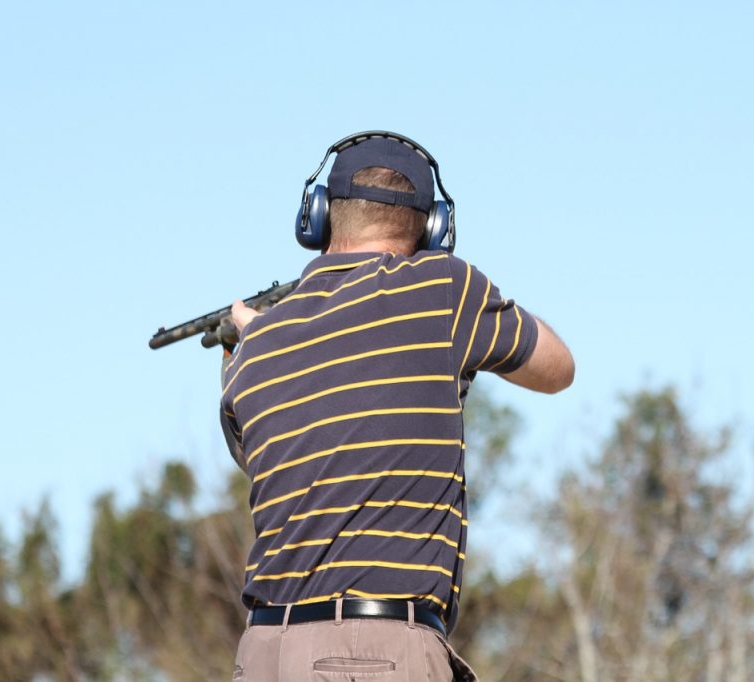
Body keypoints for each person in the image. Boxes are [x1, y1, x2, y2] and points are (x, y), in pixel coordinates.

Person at [221, 132, 574, 681]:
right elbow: (557, 368)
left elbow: (285, 464)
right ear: (433, 229)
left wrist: (242, 342)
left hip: (261, 654)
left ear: (318, 217)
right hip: (375, 654)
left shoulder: (257, 346)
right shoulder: (444, 289)